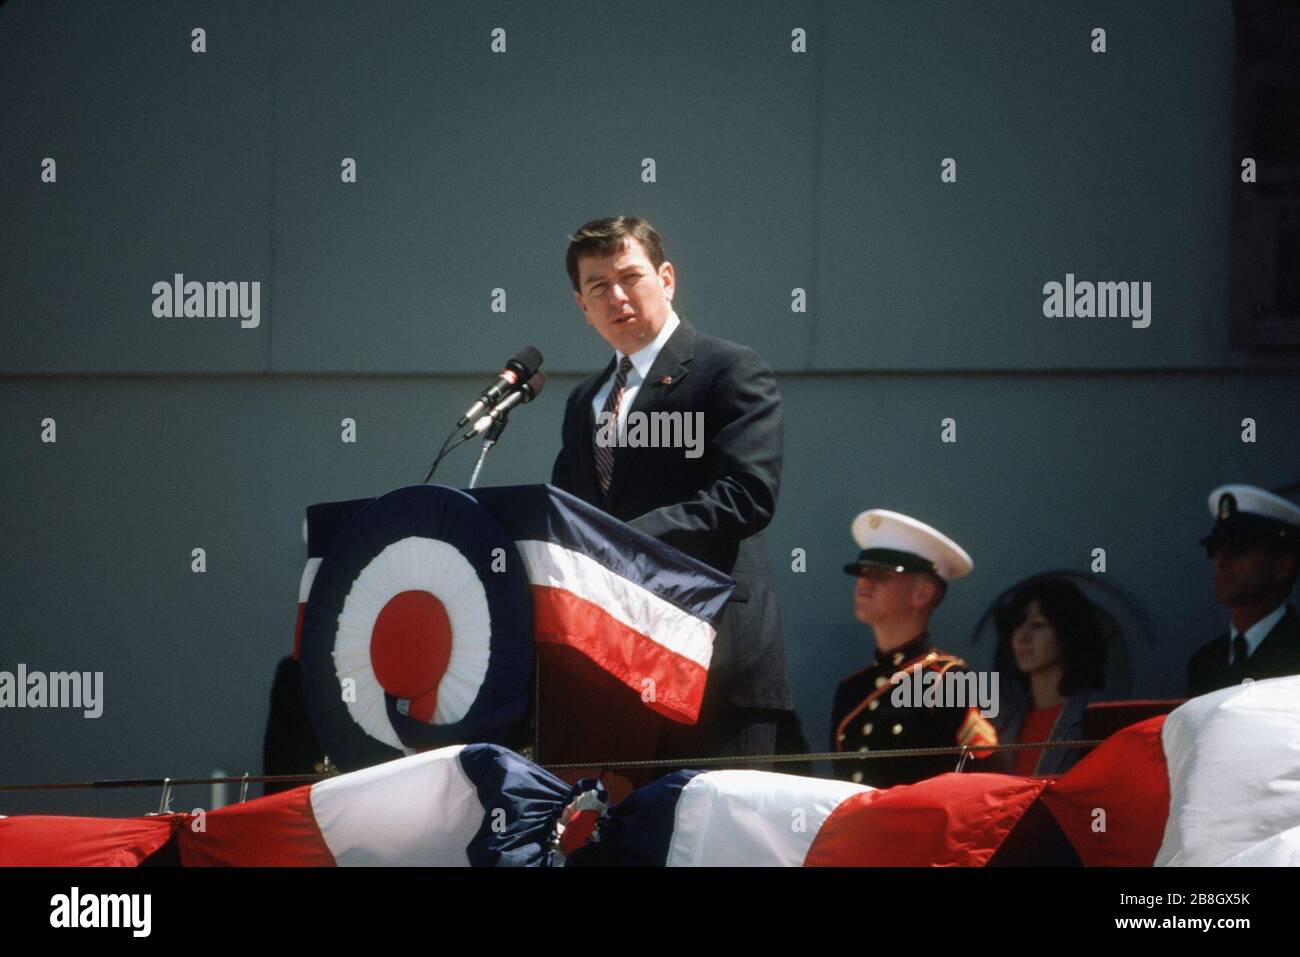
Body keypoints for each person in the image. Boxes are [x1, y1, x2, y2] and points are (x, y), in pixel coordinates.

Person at [551, 215, 792, 761]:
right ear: (582, 306)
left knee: (721, 842)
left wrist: (621, 542)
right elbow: (571, 519)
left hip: (715, 656)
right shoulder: (583, 400)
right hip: (616, 668)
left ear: (666, 279)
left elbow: (746, 495)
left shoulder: (727, 369)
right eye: (598, 287)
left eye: (631, 277)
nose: (617, 297)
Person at [830, 509, 996, 787]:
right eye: (862, 572)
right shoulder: (852, 689)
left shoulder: (951, 680)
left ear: (923, 593)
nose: (863, 583)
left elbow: (984, 781)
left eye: (882, 575)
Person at [1187, 484, 1300, 697]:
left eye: (1237, 547)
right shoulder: (1204, 663)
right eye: (1214, 548)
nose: (1220, 561)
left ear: (1282, 566)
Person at [989, 578, 1108, 777]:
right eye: (1017, 626)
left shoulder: (1098, 718)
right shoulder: (1002, 724)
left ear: (1067, 633)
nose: (1022, 637)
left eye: (1038, 625)